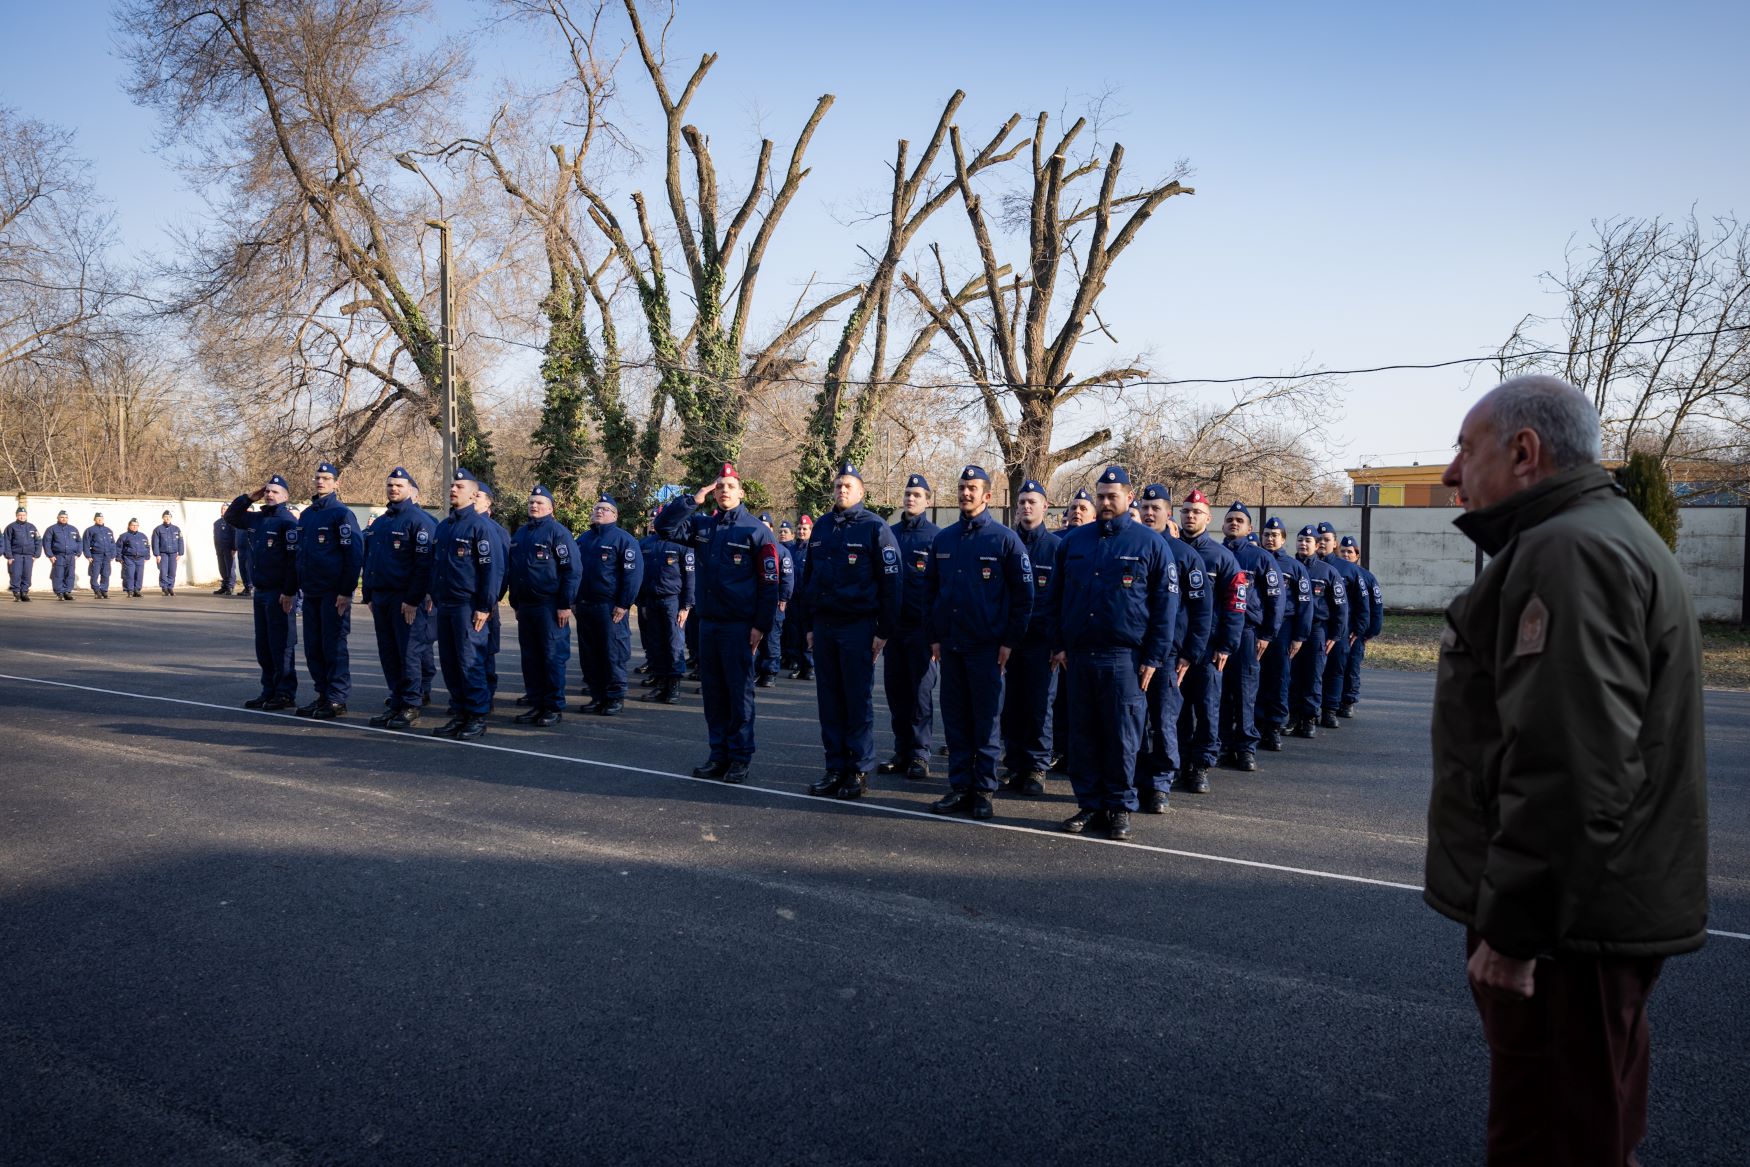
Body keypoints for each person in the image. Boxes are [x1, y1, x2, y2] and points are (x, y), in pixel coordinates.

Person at [1426, 374, 1707, 1164]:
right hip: (1591, 913)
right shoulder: (1597, 532)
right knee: (1593, 1119)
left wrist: (1515, 931)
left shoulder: (1568, 551)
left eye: (1464, 447)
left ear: (1524, 452)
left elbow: (1568, 766)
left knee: (1549, 1136)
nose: (1452, 472)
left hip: (1566, 931)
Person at [1051, 466, 1176, 840]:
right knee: (1083, 735)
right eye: (1101, 496)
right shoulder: (1074, 542)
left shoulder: (1150, 544)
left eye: (1112, 496)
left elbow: (1165, 607)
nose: (1105, 503)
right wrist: (1058, 644)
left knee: (1122, 735)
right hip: (1079, 654)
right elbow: (1055, 597)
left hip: (1126, 658)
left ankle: (1119, 807)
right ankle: (1089, 803)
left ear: (1128, 496)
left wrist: (1153, 657)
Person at [656, 463, 780, 783]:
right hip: (708, 624)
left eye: (730, 486)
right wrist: (693, 499)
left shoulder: (757, 531)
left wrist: (760, 626)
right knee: (713, 694)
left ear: (741, 493)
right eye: (719, 486)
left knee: (738, 694)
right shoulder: (702, 525)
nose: (724, 490)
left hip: (739, 626)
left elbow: (770, 582)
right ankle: (718, 754)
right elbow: (664, 527)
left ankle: (739, 757)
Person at [924, 465, 1033, 821]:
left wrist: (1009, 642)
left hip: (987, 648)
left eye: (972, 488)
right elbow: (931, 593)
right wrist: (935, 637)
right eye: (961, 487)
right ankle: (959, 786)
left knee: (986, 721)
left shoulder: (1004, 540)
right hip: (951, 647)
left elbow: (1023, 596)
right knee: (955, 720)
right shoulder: (944, 539)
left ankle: (984, 789)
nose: (965, 493)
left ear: (987, 495)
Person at [794, 461, 902, 801]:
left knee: (856, 701)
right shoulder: (823, 527)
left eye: (848, 486)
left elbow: (892, 583)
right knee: (829, 700)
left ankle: (857, 770)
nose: (842, 490)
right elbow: (809, 578)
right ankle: (835, 767)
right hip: (825, 626)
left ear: (861, 492)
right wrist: (809, 625)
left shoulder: (875, 528)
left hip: (858, 626)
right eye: (838, 485)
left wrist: (883, 630)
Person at [1133, 485, 1206, 811]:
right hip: (1130, 651)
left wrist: (1190, 653)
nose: (1150, 513)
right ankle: (1134, 779)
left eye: (1156, 508)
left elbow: (1202, 611)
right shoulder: (1128, 546)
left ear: (1168, 513)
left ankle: (1160, 784)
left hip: (1168, 655)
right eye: (1145, 507)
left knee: (1164, 722)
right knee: (1131, 722)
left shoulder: (1186, 556)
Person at [1174, 489, 1245, 793]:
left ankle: (1201, 764)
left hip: (1208, 647)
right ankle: (1178, 761)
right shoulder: (1169, 550)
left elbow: (1236, 604)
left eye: (1196, 512)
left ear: (1208, 517)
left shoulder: (1222, 557)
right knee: (1174, 709)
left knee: (1206, 707)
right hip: (1175, 645)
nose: (1190, 516)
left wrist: (1227, 644)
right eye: (1186, 511)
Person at [425, 468, 504, 740]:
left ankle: (477, 716)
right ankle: (459, 712)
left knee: (470, 662)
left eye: (459, 486)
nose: (453, 489)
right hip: (445, 605)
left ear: (473, 494)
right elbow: (435, 566)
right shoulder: (444, 526)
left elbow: (490, 571)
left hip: (468, 607)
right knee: (450, 662)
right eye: (452, 485)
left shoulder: (480, 527)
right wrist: (433, 595)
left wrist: (485, 606)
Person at [361, 467, 438, 729]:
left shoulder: (419, 521)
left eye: (399, 485)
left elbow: (424, 565)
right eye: (390, 485)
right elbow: (370, 560)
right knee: (389, 653)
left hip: (405, 600)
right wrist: (368, 593)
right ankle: (397, 701)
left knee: (409, 654)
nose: (393, 489)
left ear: (411, 491)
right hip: (381, 597)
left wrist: (413, 599)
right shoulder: (381, 522)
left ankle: (411, 703)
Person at [999, 479, 1060, 796]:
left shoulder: (1055, 548)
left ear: (1045, 506)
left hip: (1041, 642)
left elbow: (1063, 599)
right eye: (1022, 502)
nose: (1025, 507)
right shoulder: (1006, 544)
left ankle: (1036, 767)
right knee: (1011, 705)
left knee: (1038, 706)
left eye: (1032, 502)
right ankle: (1014, 763)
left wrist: (1058, 643)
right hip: (1010, 640)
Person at [877, 474, 940, 782]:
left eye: (917, 494)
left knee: (920, 695)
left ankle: (920, 754)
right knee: (896, 694)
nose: (911, 498)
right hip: (894, 629)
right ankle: (901, 751)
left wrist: (935, 633)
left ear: (928, 500)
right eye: (907, 493)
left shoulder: (935, 537)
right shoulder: (889, 533)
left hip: (921, 631)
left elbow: (940, 590)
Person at [287, 462, 362, 719]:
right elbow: (300, 555)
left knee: (334, 646)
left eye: (327, 478)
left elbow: (353, 554)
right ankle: (322, 695)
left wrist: (346, 590)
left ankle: (336, 699)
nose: (321, 482)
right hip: (311, 592)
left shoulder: (341, 514)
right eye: (318, 477)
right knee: (314, 647)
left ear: (336, 483)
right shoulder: (307, 515)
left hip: (333, 593)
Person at [224, 477, 300, 709]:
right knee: (264, 646)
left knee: (281, 645)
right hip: (261, 591)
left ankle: (284, 692)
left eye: (275, 492)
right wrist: (248, 498)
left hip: (279, 593)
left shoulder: (287, 522)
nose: (269, 495)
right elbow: (231, 517)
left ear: (285, 497)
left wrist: (289, 592)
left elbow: (293, 562)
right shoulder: (258, 518)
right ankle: (268, 690)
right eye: (267, 491)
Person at [508, 485, 581, 726]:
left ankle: (552, 706)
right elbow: (514, 571)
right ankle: (536, 703)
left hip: (550, 606)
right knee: (530, 658)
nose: (534, 506)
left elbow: (571, 571)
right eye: (531, 502)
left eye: (539, 503)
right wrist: (516, 602)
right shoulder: (520, 534)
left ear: (550, 508)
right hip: (527, 607)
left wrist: (565, 603)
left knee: (552, 657)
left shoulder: (558, 533)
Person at [1218, 502, 1283, 772]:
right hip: (1219, 632)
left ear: (1250, 527)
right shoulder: (1214, 553)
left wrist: (1267, 634)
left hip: (1247, 632)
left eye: (1240, 520)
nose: (1234, 523)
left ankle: (1245, 748)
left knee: (1245, 691)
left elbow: (1275, 599)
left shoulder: (1261, 558)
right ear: (1221, 524)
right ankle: (1221, 742)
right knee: (1219, 693)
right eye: (1230, 519)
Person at [572, 494, 644, 715]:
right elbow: (573, 572)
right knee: (590, 654)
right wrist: (573, 600)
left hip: (610, 607)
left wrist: (624, 603)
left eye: (604, 509)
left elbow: (633, 575)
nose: (599, 511)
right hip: (585, 606)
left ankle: (614, 696)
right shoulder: (583, 540)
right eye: (596, 508)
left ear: (615, 515)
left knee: (612, 652)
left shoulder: (624, 540)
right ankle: (597, 695)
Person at [1254, 517, 1312, 751]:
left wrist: (1299, 636)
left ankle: (1274, 727)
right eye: (1266, 534)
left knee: (1279, 677)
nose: (1269, 538)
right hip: (1258, 625)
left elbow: (1305, 604)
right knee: (1255, 677)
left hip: (1283, 628)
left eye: (1274, 535)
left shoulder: (1294, 567)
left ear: (1283, 539)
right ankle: (1256, 725)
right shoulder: (1255, 559)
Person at [1315, 521, 1370, 730]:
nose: (1322, 543)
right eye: (1318, 539)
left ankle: (1330, 710)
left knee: (1335, 670)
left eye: (1326, 540)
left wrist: (1359, 629)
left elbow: (1362, 602)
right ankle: (1307, 711)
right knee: (1309, 671)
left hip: (1340, 628)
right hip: (1315, 627)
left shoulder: (1348, 569)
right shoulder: (1303, 565)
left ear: (1334, 543)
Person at [636, 512, 694, 705]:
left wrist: (686, 605)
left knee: (673, 643)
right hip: (650, 600)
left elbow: (690, 578)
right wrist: (641, 602)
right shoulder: (645, 544)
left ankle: (674, 685)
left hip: (673, 601)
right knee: (655, 643)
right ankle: (660, 683)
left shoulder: (683, 545)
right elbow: (639, 577)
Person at [1287, 525, 1340, 739]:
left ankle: (1309, 718)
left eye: (1308, 541)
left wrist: (1335, 635)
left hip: (1317, 630)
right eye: (1300, 540)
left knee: (1313, 674)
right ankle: (1292, 715)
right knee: (1291, 674)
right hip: (1291, 628)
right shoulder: (1288, 567)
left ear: (1317, 546)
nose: (1303, 544)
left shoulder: (1328, 572)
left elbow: (1340, 607)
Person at [473, 484, 512, 707]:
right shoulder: (456, 524)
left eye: (478, 496)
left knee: (485, 649)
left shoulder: (496, 531)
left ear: (488, 503)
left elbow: (503, 569)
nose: (473, 498)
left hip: (486, 601)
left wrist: (493, 599)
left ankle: (486, 694)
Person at [1336, 535, 1383, 716]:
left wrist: (1368, 632)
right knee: (1335, 668)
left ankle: (1348, 701)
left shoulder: (1367, 577)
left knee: (1352, 667)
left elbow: (1376, 607)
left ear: (1357, 555)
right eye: (1343, 551)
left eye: (1350, 552)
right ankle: (1333, 701)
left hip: (1357, 631)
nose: (1346, 555)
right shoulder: (1334, 572)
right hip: (1339, 629)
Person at [754, 511, 794, 688]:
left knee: (772, 637)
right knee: (754, 637)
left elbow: (787, 577)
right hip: (754, 600)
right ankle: (754, 669)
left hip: (775, 601)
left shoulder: (781, 551)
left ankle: (770, 672)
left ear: (771, 529)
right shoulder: (752, 547)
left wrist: (784, 597)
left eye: (766, 526)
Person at [4, 506, 41, 600]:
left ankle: (24, 593)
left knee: (27, 574)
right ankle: (16, 593)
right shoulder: (11, 527)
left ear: (26, 516)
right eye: (20, 515)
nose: (22, 517)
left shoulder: (32, 527)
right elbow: (6, 542)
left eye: (23, 515)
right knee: (16, 574)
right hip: (16, 555)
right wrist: (9, 556)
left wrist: (36, 555)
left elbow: (38, 541)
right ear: (16, 516)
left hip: (29, 556)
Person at [43, 510, 81, 600]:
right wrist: (50, 555)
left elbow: (79, 541)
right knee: (58, 574)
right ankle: (59, 592)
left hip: (71, 556)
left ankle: (67, 592)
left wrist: (78, 554)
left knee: (70, 574)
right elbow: (46, 543)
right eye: (62, 517)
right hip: (58, 556)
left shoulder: (73, 529)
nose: (64, 519)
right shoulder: (52, 529)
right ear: (58, 518)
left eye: (66, 517)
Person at [81, 513, 116, 599]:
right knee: (94, 574)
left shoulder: (108, 530)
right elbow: (85, 544)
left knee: (106, 574)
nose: (100, 520)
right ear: (95, 520)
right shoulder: (90, 530)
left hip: (107, 556)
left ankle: (104, 590)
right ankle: (96, 591)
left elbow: (112, 544)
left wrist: (113, 554)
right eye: (98, 518)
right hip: (96, 555)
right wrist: (88, 555)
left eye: (101, 518)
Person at [116, 519, 150, 600]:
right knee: (129, 575)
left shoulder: (143, 536)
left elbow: (147, 547)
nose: (135, 527)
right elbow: (118, 547)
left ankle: (137, 590)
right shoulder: (124, 536)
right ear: (129, 526)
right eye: (133, 525)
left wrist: (147, 556)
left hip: (140, 558)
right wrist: (119, 558)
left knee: (139, 575)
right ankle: (130, 590)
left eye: (136, 525)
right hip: (129, 558)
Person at [151, 511, 184, 595]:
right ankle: (164, 588)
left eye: (169, 516)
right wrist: (157, 554)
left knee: (172, 571)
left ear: (171, 518)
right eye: (165, 516)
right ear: (163, 518)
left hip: (173, 554)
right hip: (163, 554)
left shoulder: (176, 529)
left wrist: (180, 553)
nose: (167, 518)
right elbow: (155, 543)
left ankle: (170, 587)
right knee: (163, 571)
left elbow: (180, 541)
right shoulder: (158, 529)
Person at [213, 504, 241, 595]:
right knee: (222, 568)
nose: (223, 510)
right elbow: (215, 536)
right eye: (222, 509)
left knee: (230, 568)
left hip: (229, 549)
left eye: (225, 509)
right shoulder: (216, 523)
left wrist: (234, 548)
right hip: (219, 548)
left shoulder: (232, 521)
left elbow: (234, 535)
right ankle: (224, 586)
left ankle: (230, 586)